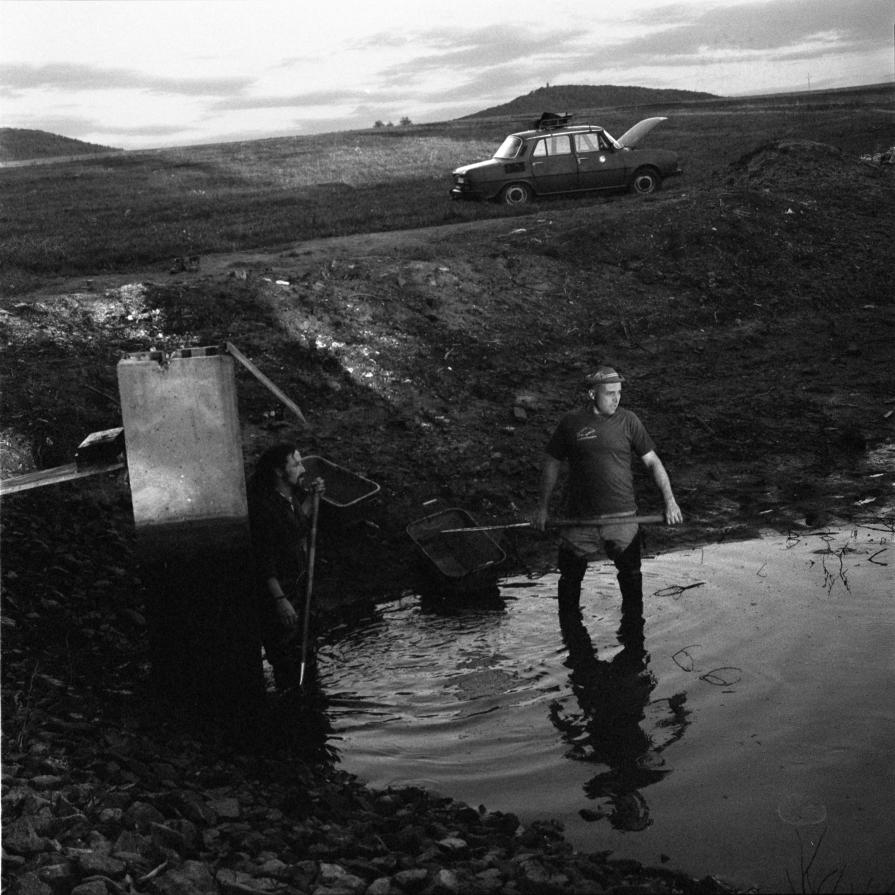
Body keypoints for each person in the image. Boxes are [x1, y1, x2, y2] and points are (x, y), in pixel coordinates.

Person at [532, 366, 683, 616]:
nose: (617, 398)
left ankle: (634, 643)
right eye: (610, 393)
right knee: (569, 581)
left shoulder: (629, 421)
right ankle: (573, 643)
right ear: (592, 394)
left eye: (619, 392)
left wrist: (670, 501)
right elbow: (552, 463)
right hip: (579, 519)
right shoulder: (571, 423)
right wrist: (542, 509)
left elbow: (653, 462)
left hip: (623, 518)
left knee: (631, 578)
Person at [247, 443, 325, 690]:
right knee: (286, 653)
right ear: (280, 472)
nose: (302, 469)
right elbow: (263, 558)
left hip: (299, 585)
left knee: (306, 645)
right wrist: (280, 599)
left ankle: (309, 693)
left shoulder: (289, 499)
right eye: (296, 464)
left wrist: (313, 499)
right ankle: (293, 701)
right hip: (281, 591)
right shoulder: (264, 508)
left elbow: (295, 526)